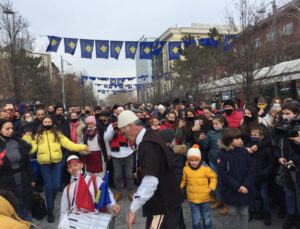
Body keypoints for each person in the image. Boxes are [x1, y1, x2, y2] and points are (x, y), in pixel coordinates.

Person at [118, 110, 184, 229]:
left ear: (130, 126)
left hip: (162, 205)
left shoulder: (148, 144)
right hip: (168, 199)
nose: (124, 137)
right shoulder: (149, 135)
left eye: (123, 133)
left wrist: (133, 209)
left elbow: (150, 181)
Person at [22, 115, 88, 223]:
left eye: (49, 122)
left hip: (57, 163)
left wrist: (81, 147)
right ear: (42, 123)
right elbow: (31, 150)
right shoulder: (37, 135)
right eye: (45, 122)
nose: (47, 123)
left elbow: (69, 144)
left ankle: (50, 203)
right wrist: (26, 139)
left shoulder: (58, 134)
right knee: (48, 187)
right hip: (44, 164)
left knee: (56, 186)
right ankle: (50, 210)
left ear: (52, 123)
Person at [59, 155, 120, 226]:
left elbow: (106, 193)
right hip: (77, 223)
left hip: (94, 220)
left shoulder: (95, 180)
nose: (73, 168)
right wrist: (61, 225)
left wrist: (112, 204)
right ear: (68, 170)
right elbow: (63, 211)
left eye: (75, 165)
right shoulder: (67, 189)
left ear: (81, 165)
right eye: (70, 167)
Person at [218, 128, 255, 229]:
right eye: (237, 138)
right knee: (232, 213)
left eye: (241, 138)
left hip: (245, 188)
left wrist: (246, 185)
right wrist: (237, 186)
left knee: (244, 213)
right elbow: (223, 174)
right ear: (230, 140)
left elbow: (251, 169)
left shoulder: (243, 151)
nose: (240, 140)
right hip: (232, 189)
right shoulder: (222, 154)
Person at [0, 120, 34, 222]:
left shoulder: (17, 141)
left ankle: (29, 225)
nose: (10, 131)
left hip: (22, 179)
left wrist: (32, 178)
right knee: (12, 207)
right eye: (7, 129)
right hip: (6, 183)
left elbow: (27, 162)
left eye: (12, 128)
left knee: (25, 205)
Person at [181, 144, 217, 229]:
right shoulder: (185, 169)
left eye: (196, 160)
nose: (194, 162)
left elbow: (213, 177)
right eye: (192, 160)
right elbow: (184, 180)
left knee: (206, 218)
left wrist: (211, 187)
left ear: (200, 159)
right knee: (196, 219)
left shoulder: (205, 169)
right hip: (193, 199)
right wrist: (179, 187)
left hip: (205, 198)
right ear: (188, 160)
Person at [199, 115, 227, 214]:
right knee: (215, 181)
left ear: (222, 124)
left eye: (217, 123)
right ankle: (218, 200)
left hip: (224, 160)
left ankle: (226, 204)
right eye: (213, 123)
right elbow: (204, 146)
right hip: (212, 159)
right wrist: (202, 140)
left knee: (224, 182)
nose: (215, 125)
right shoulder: (210, 133)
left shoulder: (226, 132)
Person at [247, 126, 274, 225]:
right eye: (252, 135)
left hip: (263, 176)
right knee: (252, 195)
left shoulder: (267, 149)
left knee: (264, 195)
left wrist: (264, 173)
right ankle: (252, 212)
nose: (253, 137)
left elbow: (271, 163)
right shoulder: (249, 146)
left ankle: (267, 214)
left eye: (255, 135)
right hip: (251, 175)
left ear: (261, 136)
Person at [104, 115, 135, 202]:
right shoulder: (111, 125)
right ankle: (119, 192)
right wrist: (113, 130)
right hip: (116, 155)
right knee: (117, 175)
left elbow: (132, 136)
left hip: (128, 153)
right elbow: (106, 138)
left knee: (129, 174)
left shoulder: (128, 124)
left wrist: (124, 130)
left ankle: (130, 191)